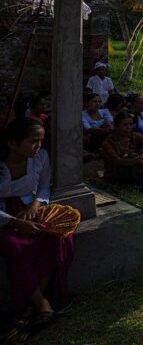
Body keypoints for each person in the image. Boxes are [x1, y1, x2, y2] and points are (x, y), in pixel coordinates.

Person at [0, 118, 77, 329]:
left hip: (30, 208)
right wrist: (14, 222)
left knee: (57, 234)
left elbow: (44, 186)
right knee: (16, 247)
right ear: (12, 144)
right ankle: (42, 303)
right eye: (33, 141)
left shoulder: (40, 157)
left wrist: (36, 203)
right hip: (3, 216)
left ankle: (33, 305)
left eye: (41, 141)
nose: (38, 147)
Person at [100, 112, 143, 188]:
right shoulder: (108, 142)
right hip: (117, 171)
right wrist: (137, 160)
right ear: (117, 126)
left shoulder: (134, 135)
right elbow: (119, 161)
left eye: (130, 124)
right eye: (125, 125)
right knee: (136, 167)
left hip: (136, 165)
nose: (129, 127)